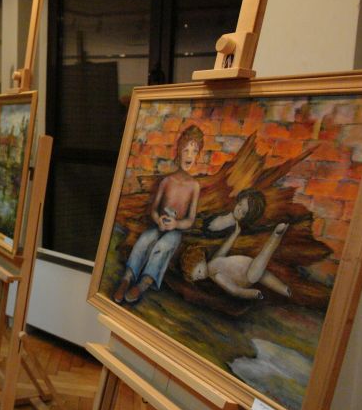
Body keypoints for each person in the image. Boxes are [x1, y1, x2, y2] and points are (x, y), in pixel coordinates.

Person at [113, 125, 204, 305]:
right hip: (159, 225)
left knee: (164, 245)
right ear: (178, 152)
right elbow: (153, 210)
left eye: (194, 151)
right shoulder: (167, 181)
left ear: (198, 155)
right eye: (186, 150)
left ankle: (144, 282)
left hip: (175, 230)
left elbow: (190, 220)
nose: (189, 155)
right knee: (145, 239)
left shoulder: (194, 186)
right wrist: (158, 220)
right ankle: (127, 278)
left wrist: (175, 225)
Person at [181, 222, 292, 299]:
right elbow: (235, 291)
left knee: (265, 276)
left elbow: (224, 249)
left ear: (202, 258)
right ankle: (276, 235)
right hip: (247, 276)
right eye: (198, 277)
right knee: (263, 257)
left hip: (249, 264)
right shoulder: (216, 276)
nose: (201, 276)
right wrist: (253, 294)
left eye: (199, 271)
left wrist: (235, 233)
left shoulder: (214, 261)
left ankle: (285, 290)